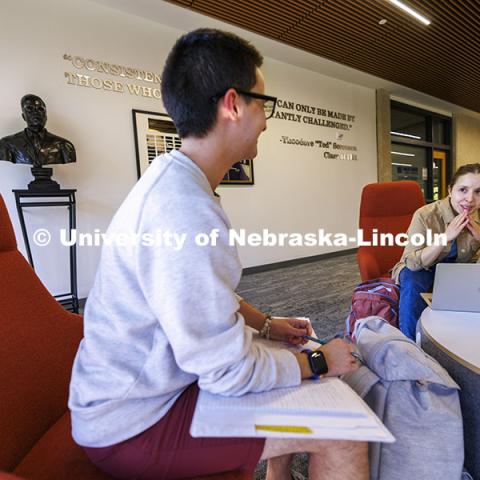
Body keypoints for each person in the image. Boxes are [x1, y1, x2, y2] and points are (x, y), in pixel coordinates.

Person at [68, 28, 367, 480]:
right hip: (132, 424)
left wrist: (266, 324)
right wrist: (320, 361)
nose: (266, 120)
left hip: (146, 389)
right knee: (344, 427)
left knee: (291, 348)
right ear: (232, 104)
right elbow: (226, 374)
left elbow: (202, 296)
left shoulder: (175, 180)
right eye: (263, 104)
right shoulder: (184, 213)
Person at [392, 163, 480, 340]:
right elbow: (412, 262)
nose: (470, 199)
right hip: (423, 267)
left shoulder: (477, 217)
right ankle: (411, 345)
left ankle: (466, 339)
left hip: (457, 268)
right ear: (450, 190)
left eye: (478, 192)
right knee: (411, 278)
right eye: (463, 190)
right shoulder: (425, 215)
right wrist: (445, 238)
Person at [0, 94, 76, 167]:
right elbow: (6, 169)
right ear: (23, 116)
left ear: (46, 117)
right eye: (30, 109)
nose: (36, 112)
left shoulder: (64, 145)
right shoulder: (7, 144)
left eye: (40, 109)